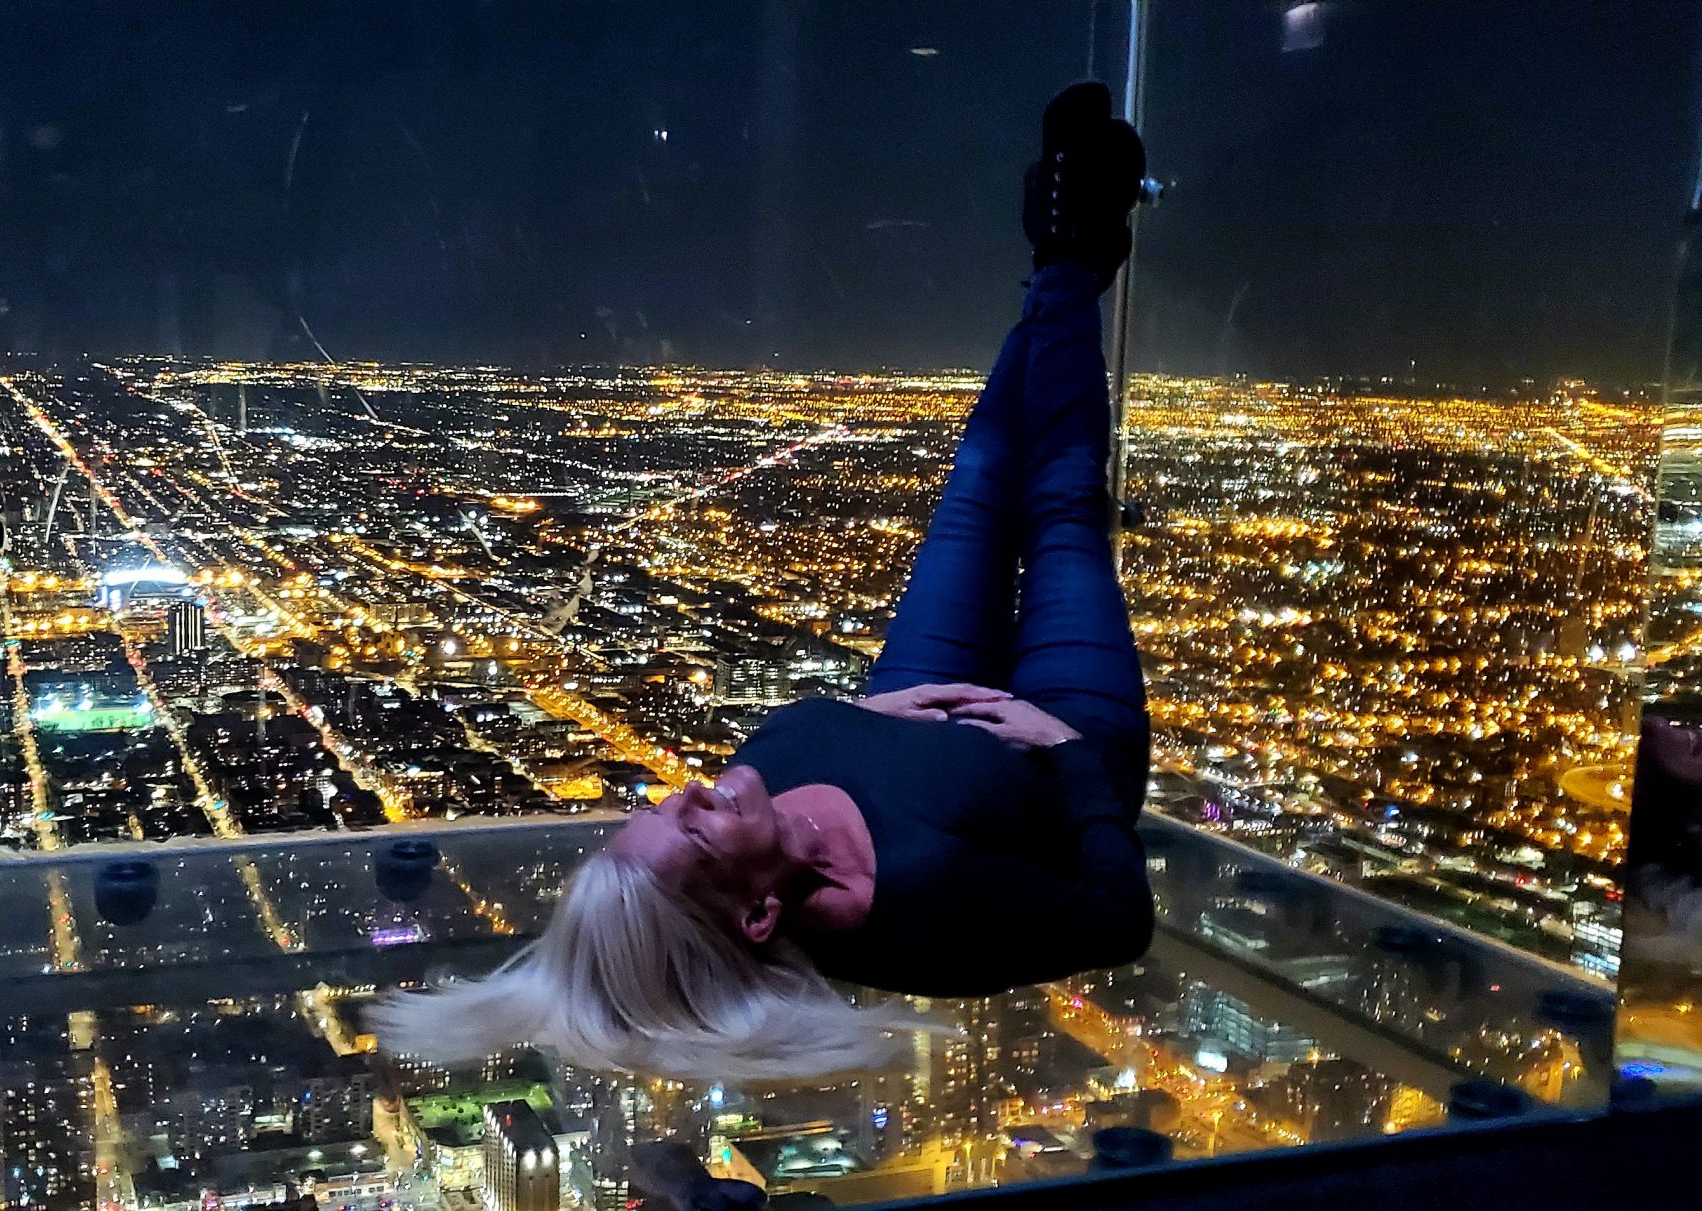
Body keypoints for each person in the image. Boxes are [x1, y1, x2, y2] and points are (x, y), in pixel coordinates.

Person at [371, 83, 1154, 1081]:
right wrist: (1071, 756)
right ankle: (1070, 261)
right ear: (754, 911)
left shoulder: (752, 794)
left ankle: (1064, 263)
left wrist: (876, 715)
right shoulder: (921, 907)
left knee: (976, 483)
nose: (690, 788)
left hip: (912, 706)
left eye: (658, 804)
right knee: (1060, 505)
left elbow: (795, 747)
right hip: (1064, 738)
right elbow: (1118, 923)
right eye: (692, 831)